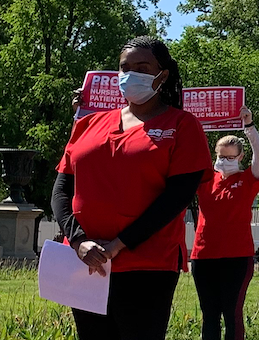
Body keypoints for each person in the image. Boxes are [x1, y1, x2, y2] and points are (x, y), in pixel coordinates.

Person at [53, 35, 211, 339]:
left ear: (162, 75)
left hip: (147, 266)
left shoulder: (182, 126)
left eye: (142, 66)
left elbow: (176, 198)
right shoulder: (88, 124)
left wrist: (117, 245)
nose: (131, 74)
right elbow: (61, 190)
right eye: (125, 68)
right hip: (85, 262)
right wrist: (78, 241)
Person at [192, 107, 259, 340]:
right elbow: (188, 155)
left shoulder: (247, 180)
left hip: (236, 257)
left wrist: (249, 127)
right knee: (209, 314)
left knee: (231, 313)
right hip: (203, 256)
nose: (223, 161)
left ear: (240, 157)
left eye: (229, 157)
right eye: (220, 156)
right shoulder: (206, 178)